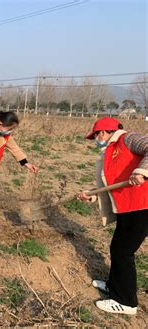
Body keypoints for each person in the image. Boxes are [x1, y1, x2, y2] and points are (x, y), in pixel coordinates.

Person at [77, 117, 147, 315]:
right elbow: (110, 184)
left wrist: (142, 172)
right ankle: (114, 285)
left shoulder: (128, 139)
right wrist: (90, 195)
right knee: (118, 248)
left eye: (98, 134)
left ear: (105, 131)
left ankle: (126, 302)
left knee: (123, 252)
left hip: (141, 205)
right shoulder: (108, 152)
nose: (97, 138)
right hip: (126, 207)